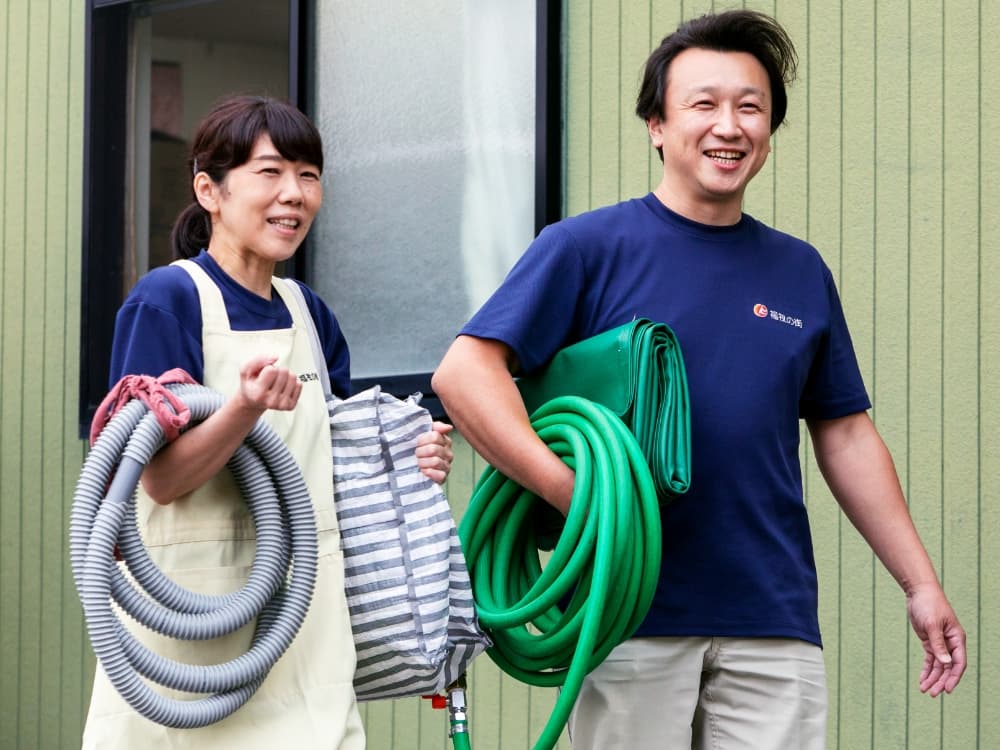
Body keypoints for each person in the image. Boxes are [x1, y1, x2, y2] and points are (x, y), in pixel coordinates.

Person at [432, 9, 966, 749]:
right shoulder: (588, 248)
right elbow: (465, 374)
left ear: (770, 131)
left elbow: (843, 433)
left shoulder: (799, 270)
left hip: (772, 619)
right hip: (628, 615)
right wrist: (579, 497)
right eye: (703, 104)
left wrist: (920, 583)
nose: (729, 125)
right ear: (657, 124)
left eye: (751, 107)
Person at [82, 95, 454, 749]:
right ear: (209, 190)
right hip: (189, 633)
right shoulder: (168, 301)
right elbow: (161, 482)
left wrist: (413, 456)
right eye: (270, 172)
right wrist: (243, 409)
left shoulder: (307, 312)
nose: (294, 194)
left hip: (304, 620)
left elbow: (332, 455)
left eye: (309, 175)